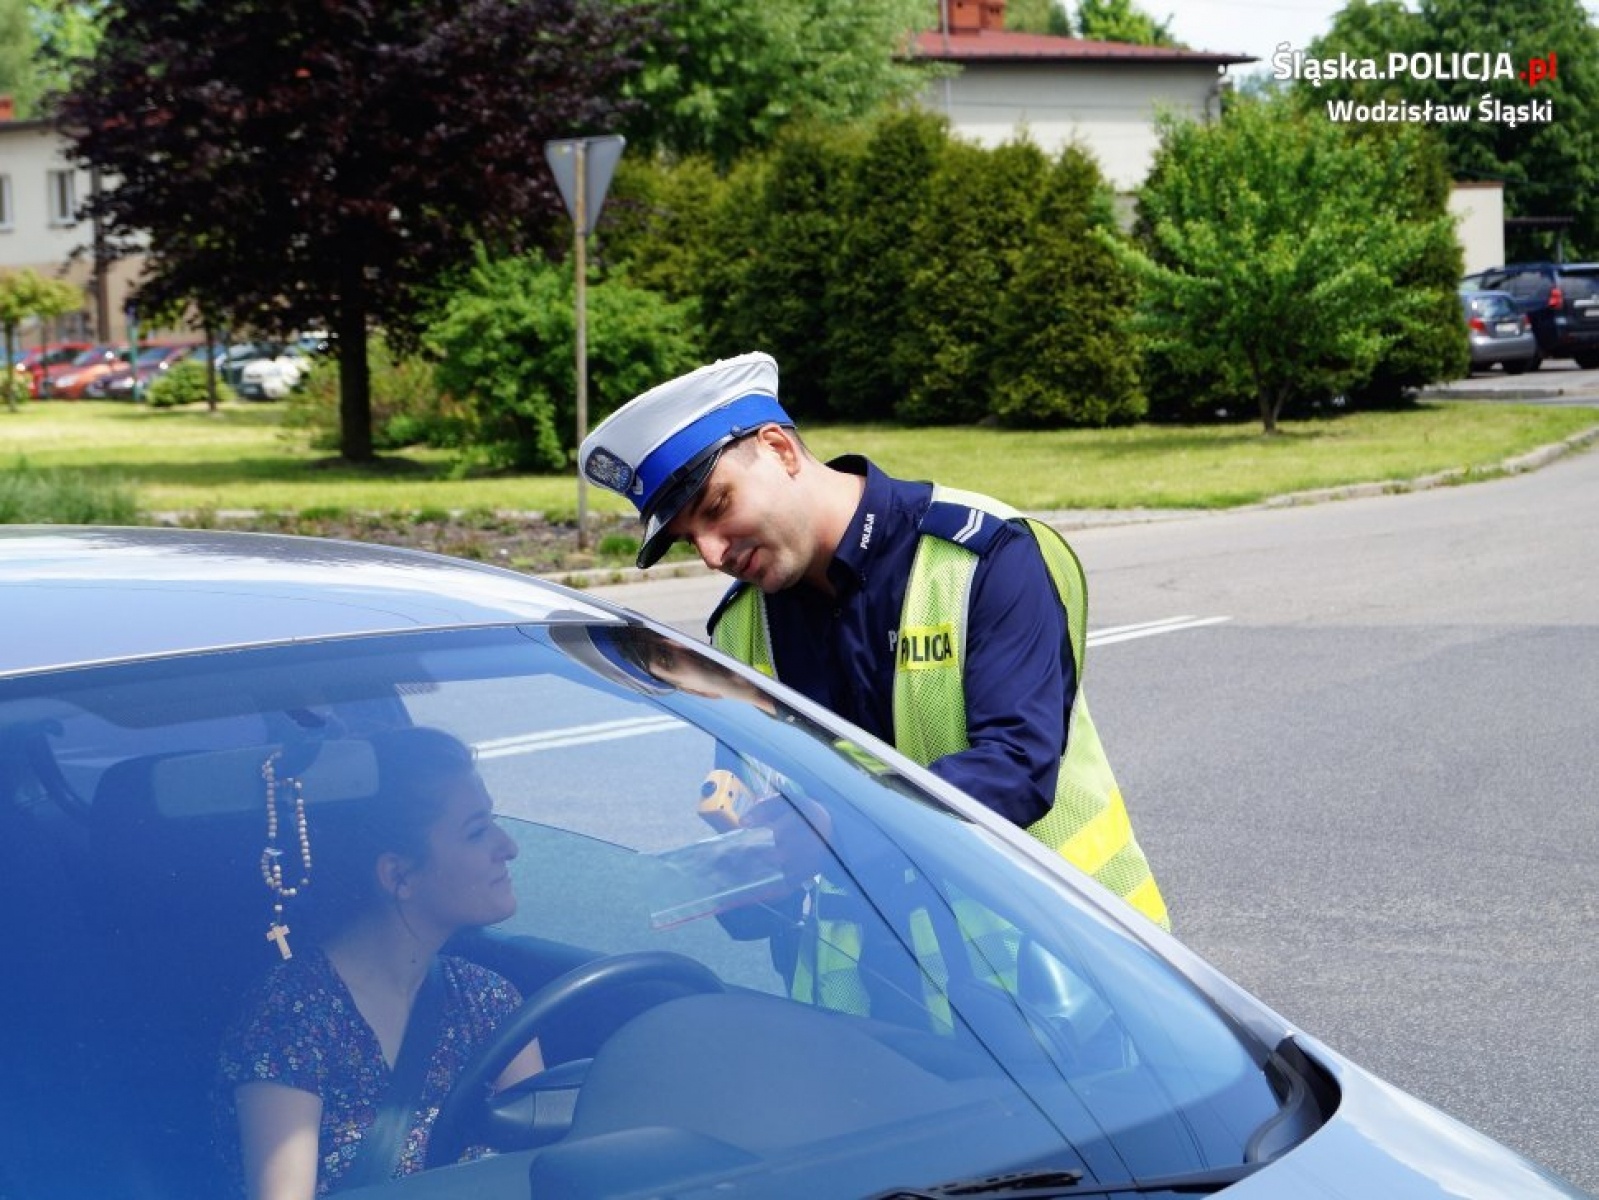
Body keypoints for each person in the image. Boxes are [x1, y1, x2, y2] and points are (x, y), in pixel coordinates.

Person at [579, 351, 1169, 930]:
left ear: (780, 450)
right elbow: (760, 817)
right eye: (689, 540)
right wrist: (748, 872)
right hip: (885, 1001)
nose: (711, 554)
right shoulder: (738, 629)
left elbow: (1018, 766)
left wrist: (839, 830)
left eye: (716, 506)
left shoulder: (982, 555)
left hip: (1074, 968)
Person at [217, 726, 544, 1199]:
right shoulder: (294, 1016)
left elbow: (547, 1170)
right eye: (477, 832)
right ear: (398, 874)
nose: (508, 846)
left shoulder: (489, 1000)